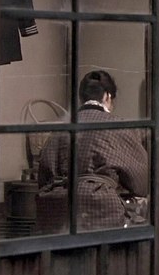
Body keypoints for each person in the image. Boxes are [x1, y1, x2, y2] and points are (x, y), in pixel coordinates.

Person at [36, 70, 149, 233]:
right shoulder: (117, 126)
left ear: (81, 98)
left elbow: (44, 176)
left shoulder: (61, 128)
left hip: (58, 210)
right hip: (100, 209)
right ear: (107, 96)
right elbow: (140, 182)